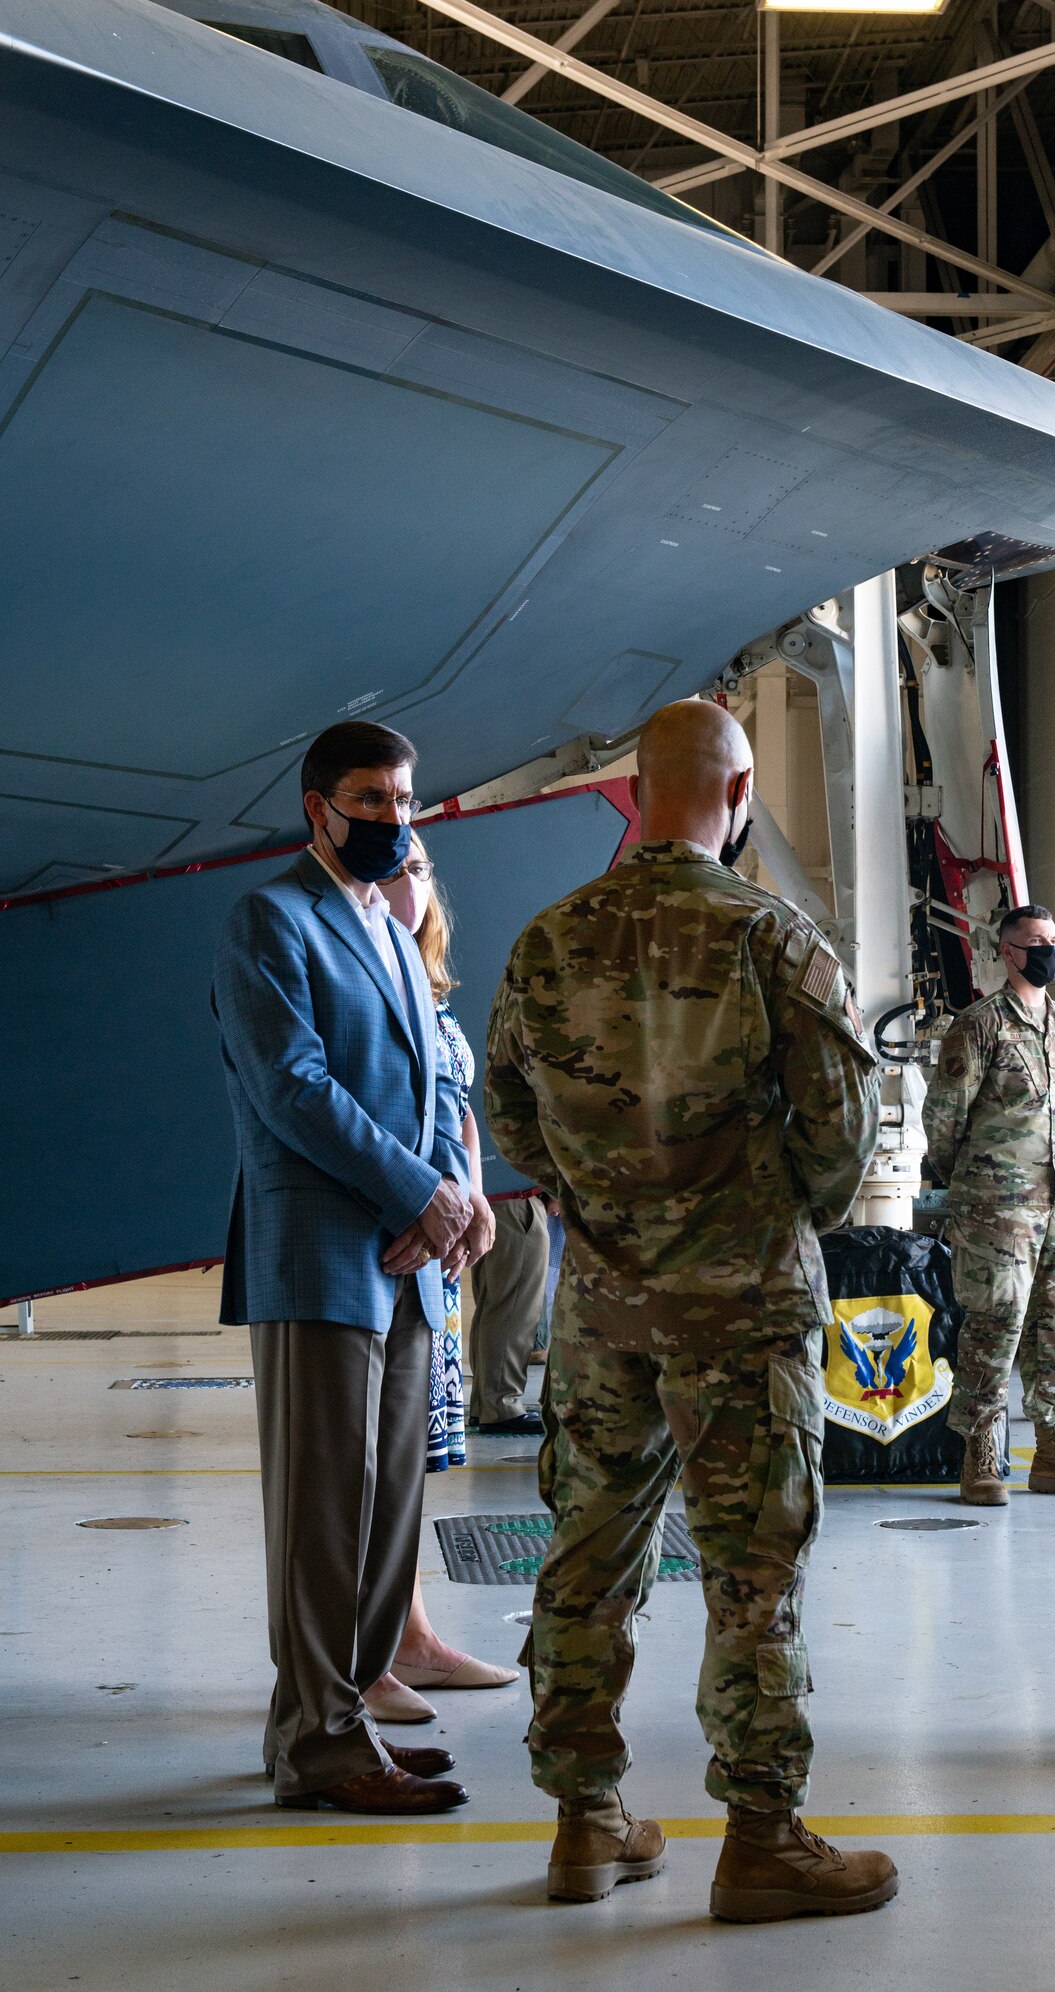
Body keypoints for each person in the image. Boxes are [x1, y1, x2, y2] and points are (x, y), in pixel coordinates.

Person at [484, 698, 897, 1923]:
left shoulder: (552, 937)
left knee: (588, 1555)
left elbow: (508, 1107)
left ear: (634, 790)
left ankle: (584, 1819)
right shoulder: (774, 937)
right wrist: (767, 1218)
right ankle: (762, 1835)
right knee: (751, 1571)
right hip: (742, 1304)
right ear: (739, 788)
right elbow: (841, 1134)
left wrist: (589, 1197)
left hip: (604, 1303)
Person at [213, 720, 485, 1814]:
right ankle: (312, 1739)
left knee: (386, 1504)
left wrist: (452, 1193)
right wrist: (421, 1192)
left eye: (404, 799)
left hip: (406, 1258)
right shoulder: (270, 918)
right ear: (316, 803)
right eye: (369, 798)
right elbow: (296, 1087)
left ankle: (350, 1716)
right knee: (324, 1507)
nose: (390, 817)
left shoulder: (387, 923)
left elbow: (430, 1088)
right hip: (324, 1249)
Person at [356, 833, 517, 1722]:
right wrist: (421, 1203)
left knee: (408, 1459)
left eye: (420, 868)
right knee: (366, 1463)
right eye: (392, 866)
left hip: (440, 1255)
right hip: (384, 1244)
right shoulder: (357, 980)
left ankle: (409, 1636)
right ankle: (363, 1654)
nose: (408, 881)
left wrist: (477, 1199)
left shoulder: (434, 1001)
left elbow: (456, 1116)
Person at [925, 903, 1055, 1506]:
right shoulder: (979, 1024)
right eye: (1036, 941)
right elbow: (943, 1119)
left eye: (1054, 940)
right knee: (995, 1326)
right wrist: (973, 1183)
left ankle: (1054, 1451)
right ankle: (981, 1455)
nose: (1048, 951)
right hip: (996, 1207)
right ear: (1008, 951)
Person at [466, 1192, 549, 1436]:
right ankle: (502, 1405)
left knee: (494, 1307)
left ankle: (486, 1405)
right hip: (518, 1200)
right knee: (516, 1310)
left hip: (492, 1200)